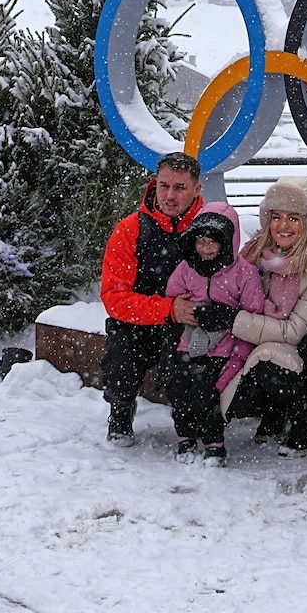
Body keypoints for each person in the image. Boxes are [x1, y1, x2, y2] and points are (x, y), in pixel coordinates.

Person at [226, 175, 307, 456]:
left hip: (303, 349)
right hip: (260, 338)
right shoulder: (255, 254)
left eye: (293, 218)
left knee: (273, 362)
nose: (283, 226)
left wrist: (232, 320)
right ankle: (273, 409)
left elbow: (293, 331)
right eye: (276, 217)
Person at [98, 151, 205, 445]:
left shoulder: (211, 229)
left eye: (180, 188)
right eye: (164, 186)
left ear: (197, 190)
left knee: (199, 362)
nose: (170, 195)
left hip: (192, 322)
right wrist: (167, 308)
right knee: (121, 352)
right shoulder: (129, 229)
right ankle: (120, 411)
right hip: (140, 323)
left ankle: (198, 422)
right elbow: (115, 298)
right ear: (154, 184)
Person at [161, 203, 263, 465]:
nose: (206, 248)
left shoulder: (243, 272)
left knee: (206, 392)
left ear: (228, 242)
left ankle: (214, 443)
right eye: (201, 241)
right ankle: (185, 437)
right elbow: (172, 297)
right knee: (178, 389)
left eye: (213, 242)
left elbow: (253, 313)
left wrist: (237, 356)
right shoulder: (186, 268)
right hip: (188, 344)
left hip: (223, 347)